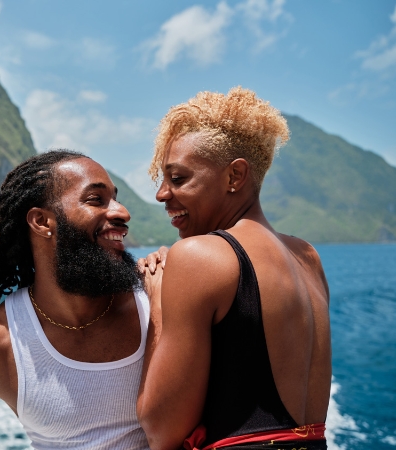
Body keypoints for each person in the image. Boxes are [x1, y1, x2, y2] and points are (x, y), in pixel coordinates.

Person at [0, 150, 151, 449]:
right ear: (41, 221)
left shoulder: (156, 297)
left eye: (115, 198)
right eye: (95, 200)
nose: (123, 213)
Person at [136, 87, 332, 450]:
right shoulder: (308, 257)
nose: (162, 194)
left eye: (177, 178)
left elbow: (161, 430)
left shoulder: (199, 257)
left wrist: (158, 300)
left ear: (235, 176)